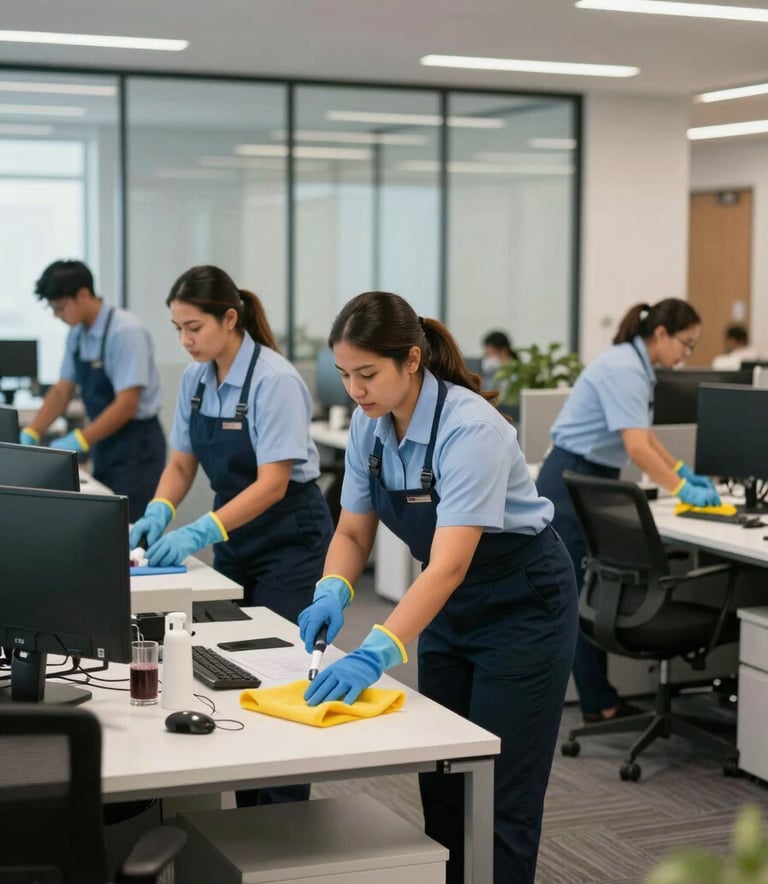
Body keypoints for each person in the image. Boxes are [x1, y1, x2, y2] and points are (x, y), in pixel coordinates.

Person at [297, 291, 578, 884]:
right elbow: (351, 530)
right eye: (346, 375)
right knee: (445, 779)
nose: (355, 390)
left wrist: (375, 653)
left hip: (521, 604)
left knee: (501, 793)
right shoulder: (369, 428)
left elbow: (448, 564)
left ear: (413, 359)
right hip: (450, 609)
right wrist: (332, 590)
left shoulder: (470, 427)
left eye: (368, 374)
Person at [129, 264, 333, 806]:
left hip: (291, 533)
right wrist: (158, 509)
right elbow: (180, 463)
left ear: (229, 318)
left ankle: (285, 806)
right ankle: (247, 807)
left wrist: (201, 528)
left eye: (193, 327)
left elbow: (272, 483)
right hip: (237, 535)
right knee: (232, 666)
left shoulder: (275, 380)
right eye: (177, 328)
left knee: (284, 670)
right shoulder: (197, 380)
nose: (185, 339)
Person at [536, 298, 720, 726]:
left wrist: (678, 471)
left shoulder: (633, 366)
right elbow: (635, 448)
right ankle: (598, 702)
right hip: (574, 479)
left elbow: (645, 437)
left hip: (587, 476)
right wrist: (683, 492)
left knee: (588, 590)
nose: (686, 355)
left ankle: (600, 700)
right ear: (660, 334)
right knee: (580, 594)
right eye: (686, 344)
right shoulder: (624, 369)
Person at [20, 259, 165, 521]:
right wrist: (32, 432)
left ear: (84, 295)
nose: (57, 316)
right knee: (103, 521)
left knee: (129, 528)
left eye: (61, 307)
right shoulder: (77, 335)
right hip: (105, 442)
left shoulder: (125, 332)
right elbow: (62, 392)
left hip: (137, 446)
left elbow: (126, 404)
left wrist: (80, 439)